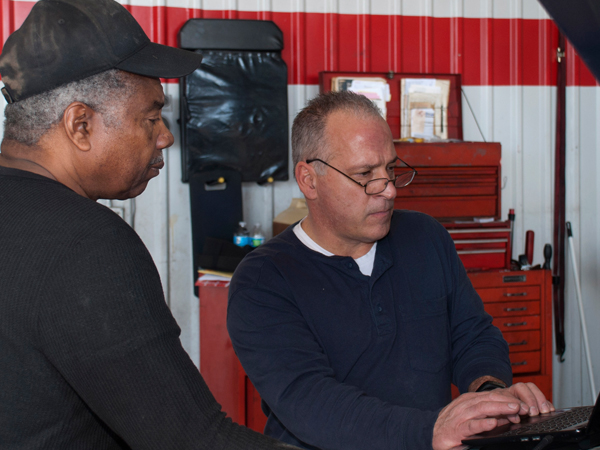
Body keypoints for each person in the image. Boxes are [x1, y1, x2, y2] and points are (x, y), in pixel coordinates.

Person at [0, 1, 298, 449]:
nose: (165, 136)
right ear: (80, 125)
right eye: (151, 117)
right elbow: (192, 440)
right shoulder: (87, 244)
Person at [227, 91, 554, 450]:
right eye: (365, 174)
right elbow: (311, 403)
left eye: (391, 169)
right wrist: (431, 430)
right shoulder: (264, 279)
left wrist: (489, 395)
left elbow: (472, 335)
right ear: (309, 180)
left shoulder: (426, 237)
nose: (389, 190)